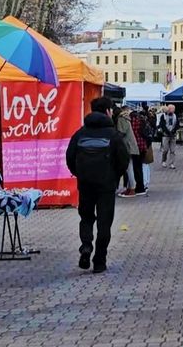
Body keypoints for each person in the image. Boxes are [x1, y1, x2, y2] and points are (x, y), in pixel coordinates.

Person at [66, 96, 129, 273]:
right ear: (108, 111)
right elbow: (123, 160)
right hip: (106, 185)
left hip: (85, 183)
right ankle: (99, 260)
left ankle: (86, 246)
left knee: (86, 217)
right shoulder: (113, 134)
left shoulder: (81, 133)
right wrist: (114, 176)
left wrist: (80, 174)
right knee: (104, 222)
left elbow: (70, 157)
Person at [115, 105, 140, 197]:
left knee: (128, 167)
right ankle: (130, 187)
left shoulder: (121, 119)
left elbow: (122, 132)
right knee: (129, 166)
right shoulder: (126, 117)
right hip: (130, 144)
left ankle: (132, 188)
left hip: (127, 145)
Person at [159, 105, 178, 169]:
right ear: (168, 109)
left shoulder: (175, 116)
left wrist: (173, 131)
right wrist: (167, 132)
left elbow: (177, 125)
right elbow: (162, 125)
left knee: (173, 150)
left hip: (173, 135)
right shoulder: (163, 116)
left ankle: (172, 163)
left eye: (173, 109)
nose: (172, 111)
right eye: (171, 109)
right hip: (165, 135)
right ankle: (164, 161)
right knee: (165, 149)